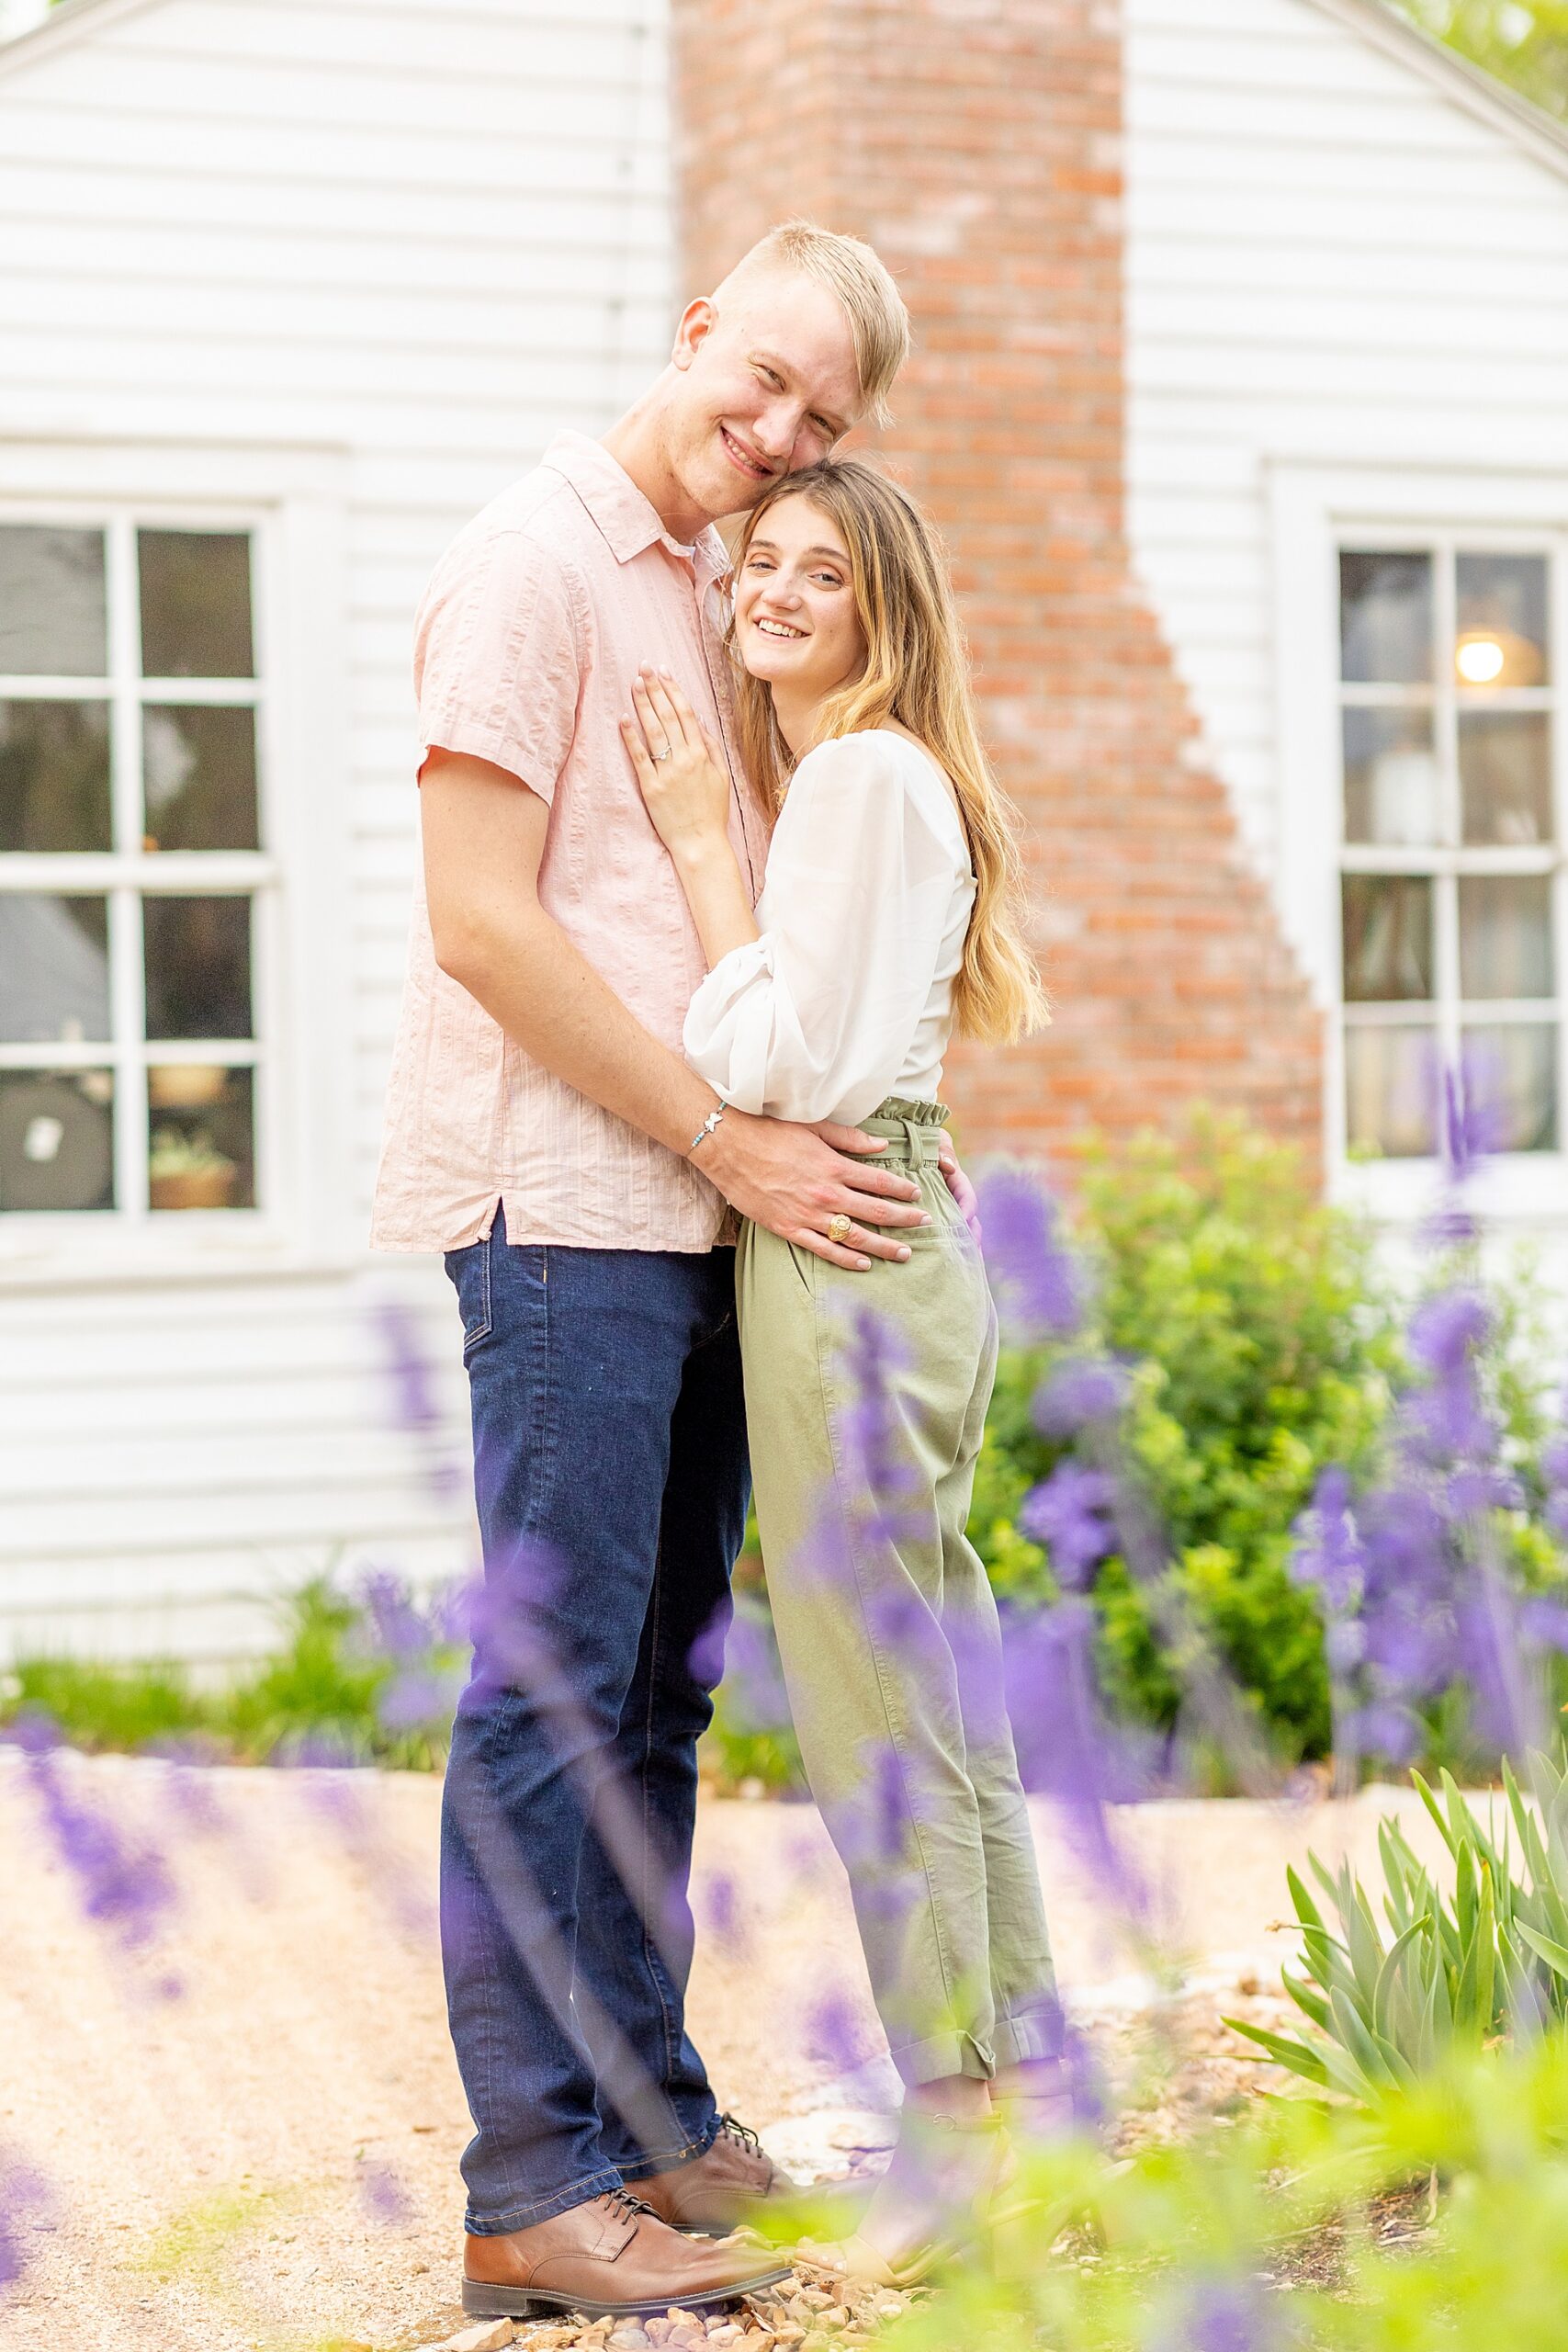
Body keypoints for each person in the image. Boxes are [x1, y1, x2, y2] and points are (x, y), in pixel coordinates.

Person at [372, 222, 981, 2325]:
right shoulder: (532, 564)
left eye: (826, 417)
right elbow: (481, 920)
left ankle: (641, 2120)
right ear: (697, 324)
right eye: (766, 378)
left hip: (706, 1221)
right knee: (554, 1690)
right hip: (564, 1212)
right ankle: (529, 2187)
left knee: (653, 1694)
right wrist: (725, 1136)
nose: (782, 429)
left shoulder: (720, 589)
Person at [623, 457, 1063, 2290]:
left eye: (827, 572)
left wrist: (700, 856)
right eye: (765, 562)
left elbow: (785, 1066)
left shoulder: (856, 779)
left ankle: (954, 2138)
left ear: (884, 614)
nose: (778, 590)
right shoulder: (875, 777)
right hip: (896, 1228)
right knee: (930, 1675)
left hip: (841, 1247)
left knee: (875, 1696)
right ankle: (1008, 2095)